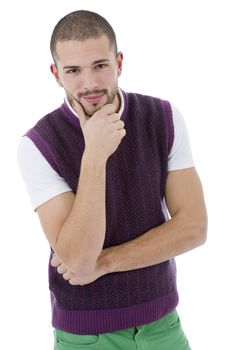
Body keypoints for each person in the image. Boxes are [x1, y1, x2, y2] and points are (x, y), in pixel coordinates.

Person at [17, 10, 207, 350]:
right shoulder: (38, 144)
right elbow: (76, 259)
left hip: (163, 325)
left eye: (100, 65)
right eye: (73, 70)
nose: (89, 83)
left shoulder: (162, 118)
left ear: (119, 62)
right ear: (56, 74)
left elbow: (194, 228)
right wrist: (94, 155)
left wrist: (106, 262)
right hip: (85, 337)